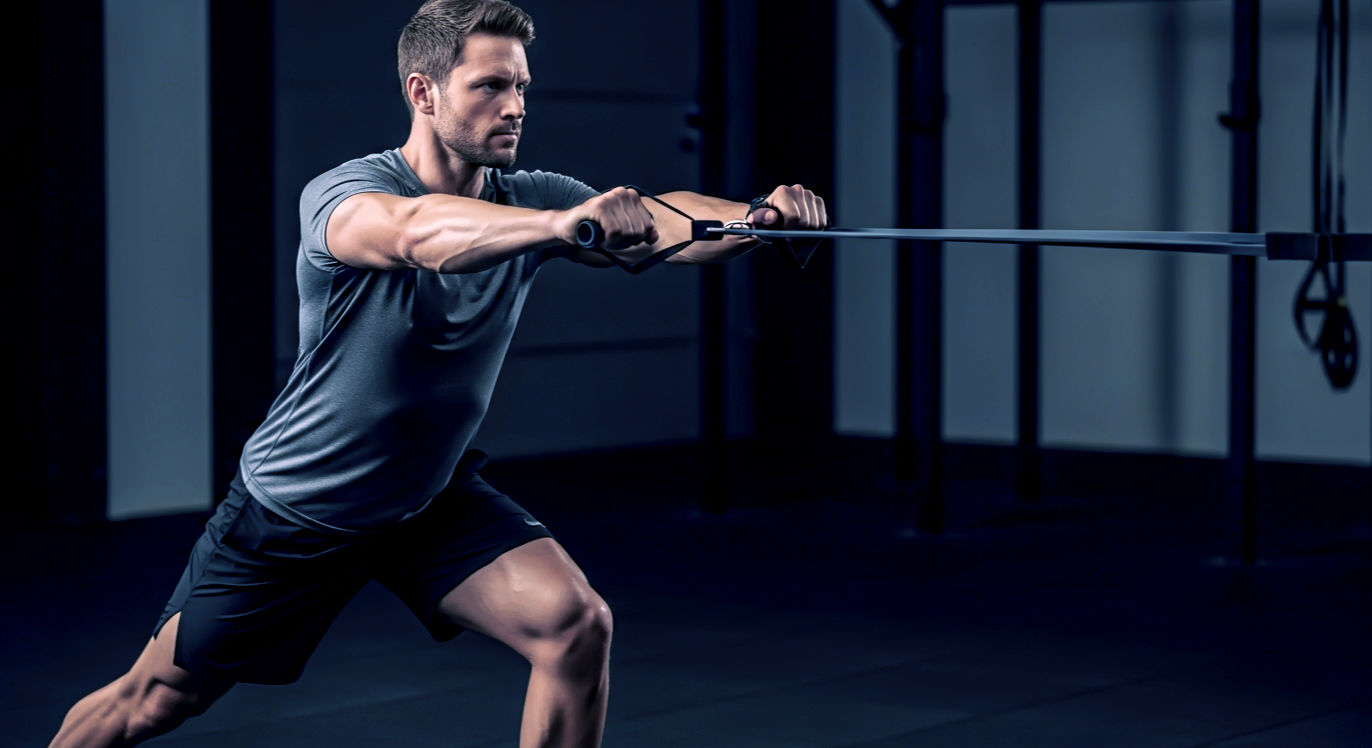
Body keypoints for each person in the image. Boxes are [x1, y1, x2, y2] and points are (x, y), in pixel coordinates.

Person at [49, 1, 826, 746]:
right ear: (424, 92)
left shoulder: (534, 195)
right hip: (301, 508)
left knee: (574, 624)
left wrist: (752, 218)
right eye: (490, 85)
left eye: (521, 84)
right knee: (151, 702)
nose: (515, 104)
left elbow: (658, 221)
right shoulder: (347, 194)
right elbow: (419, 233)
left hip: (424, 498)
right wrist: (556, 227)